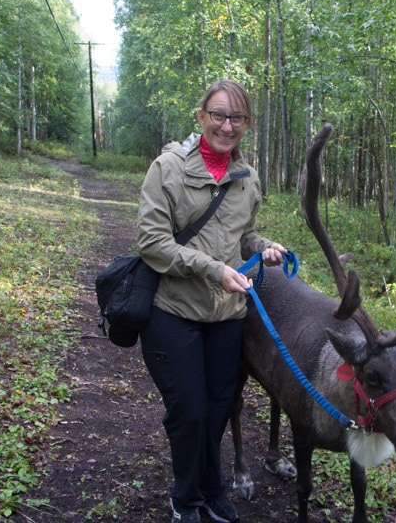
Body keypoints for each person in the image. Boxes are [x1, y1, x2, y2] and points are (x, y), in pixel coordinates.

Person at [136, 79, 288, 523]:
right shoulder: (166, 168)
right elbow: (152, 242)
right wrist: (213, 270)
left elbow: (243, 239)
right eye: (219, 115)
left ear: (247, 124)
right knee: (190, 410)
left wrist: (264, 248)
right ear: (201, 117)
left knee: (220, 407)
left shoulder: (247, 178)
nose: (227, 125)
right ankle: (185, 499)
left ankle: (212, 489)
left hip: (227, 315)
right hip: (174, 311)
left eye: (237, 117)